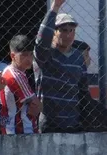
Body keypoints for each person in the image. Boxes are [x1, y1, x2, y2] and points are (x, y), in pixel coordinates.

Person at [34, 0, 87, 133]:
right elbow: (42, 39)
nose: (68, 35)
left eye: (72, 30)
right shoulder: (45, 55)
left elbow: (83, 91)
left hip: (73, 122)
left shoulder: (78, 57)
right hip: (49, 123)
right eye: (63, 30)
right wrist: (55, 7)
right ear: (54, 32)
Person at [0, 35, 40, 134]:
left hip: (11, 128)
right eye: (24, 55)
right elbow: (37, 106)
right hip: (20, 130)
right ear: (13, 56)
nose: (29, 59)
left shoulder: (9, 71)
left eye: (31, 54)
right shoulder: (15, 76)